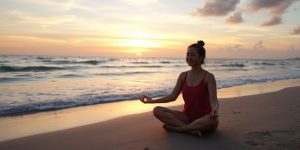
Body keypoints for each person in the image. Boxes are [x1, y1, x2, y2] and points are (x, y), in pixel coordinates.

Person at [139, 40, 219, 136]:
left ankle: (179, 129)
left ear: (201, 57)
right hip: (186, 117)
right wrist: (150, 101)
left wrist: (215, 109)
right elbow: (172, 97)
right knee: (157, 110)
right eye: (187, 55)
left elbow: (214, 100)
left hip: (205, 118)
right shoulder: (183, 76)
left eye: (192, 55)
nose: (189, 57)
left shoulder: (208, 77)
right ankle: (190, 129)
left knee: (212, 120)